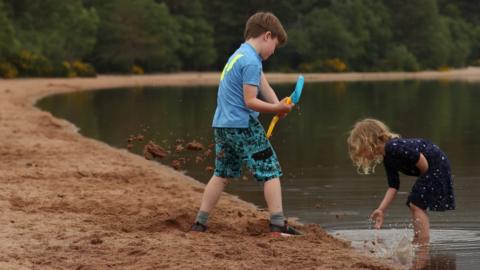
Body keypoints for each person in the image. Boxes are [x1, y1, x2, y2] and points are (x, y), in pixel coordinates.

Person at [190, 12, 302, 236]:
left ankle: (199, 224)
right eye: (275, 46)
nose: (273, 52)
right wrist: (276, 110)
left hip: (222, 127)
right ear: (267, 36)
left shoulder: (240, 55)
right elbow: (250, 101)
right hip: (242, 126)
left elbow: (263, 84)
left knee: (221, 174)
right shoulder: (251, 61)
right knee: (270, 170)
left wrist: (276, 104)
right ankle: (278, 224)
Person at [347, 118, 455, 245]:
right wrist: (381, 210)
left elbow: (420, 159)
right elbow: (393, 186)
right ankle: (420, 240)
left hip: (436, 165)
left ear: (368, 141)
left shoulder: (393, 147)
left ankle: (422, 242)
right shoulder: (387, 157)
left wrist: (424, 179)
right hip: (431, 168)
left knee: (415, 203)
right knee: (415, 203)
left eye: (360, 149)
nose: (361, 155)